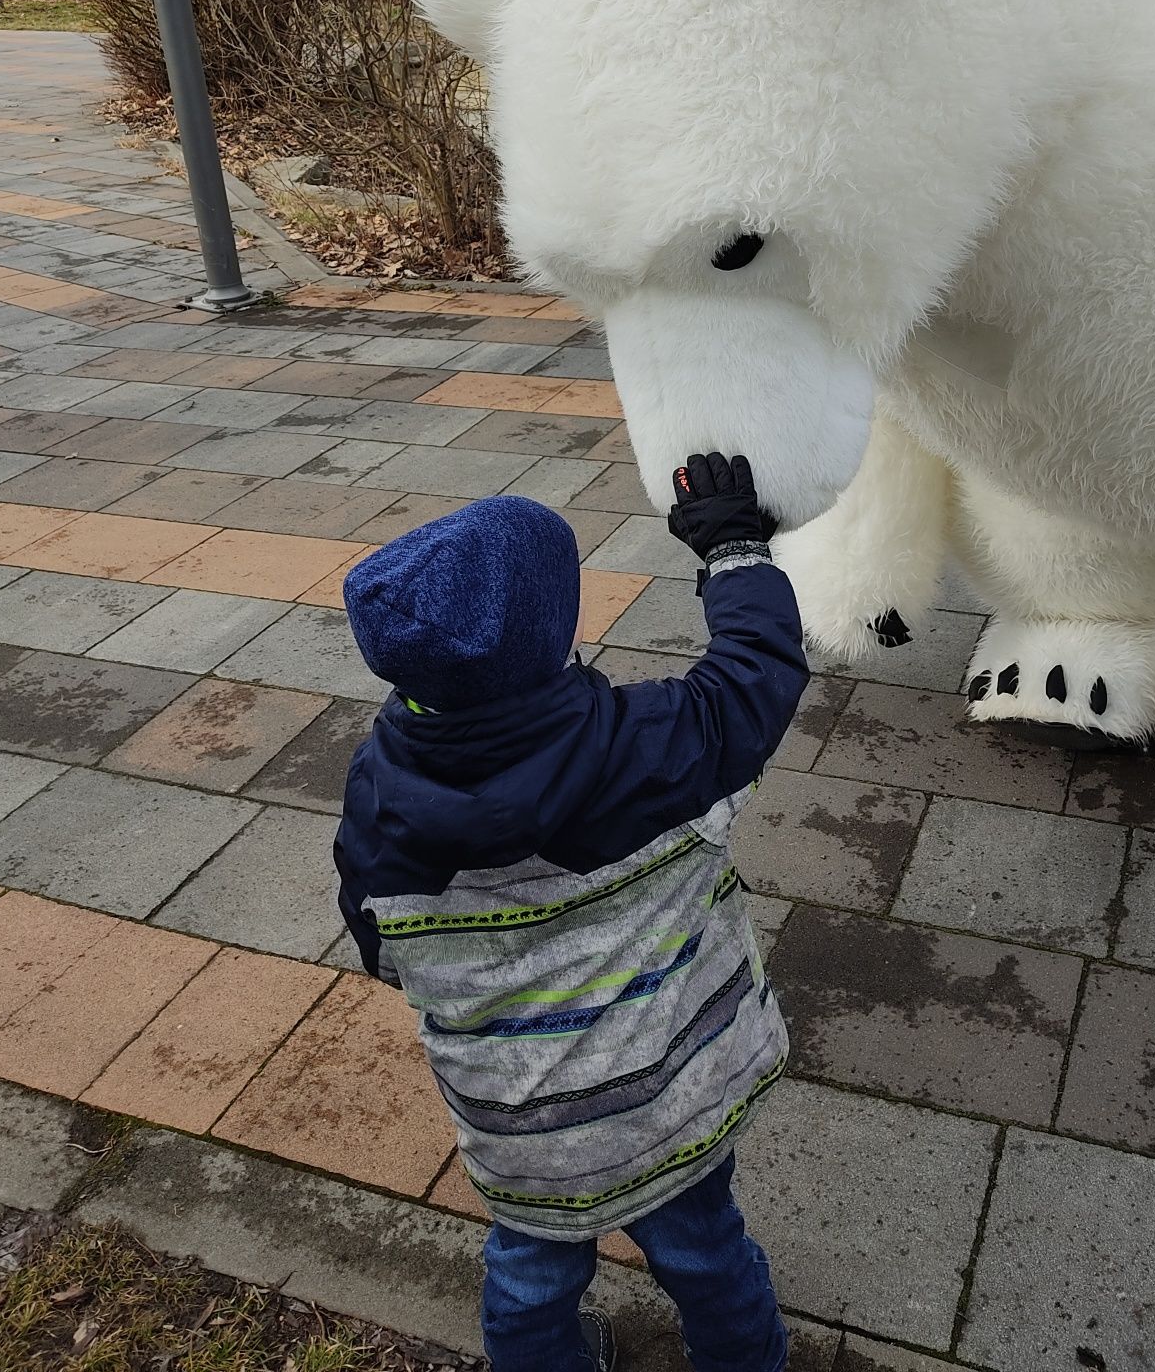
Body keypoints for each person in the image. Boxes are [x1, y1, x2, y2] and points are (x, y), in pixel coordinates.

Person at [334, 452, 807, 1372]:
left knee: (526, 1282)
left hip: (523, 1140)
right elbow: (755, 679)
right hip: (672, 1110)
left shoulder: (380, 800)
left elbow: (381, 946)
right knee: (711, 1260)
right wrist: (735, 548)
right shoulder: (659, 750)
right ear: (552, 635)